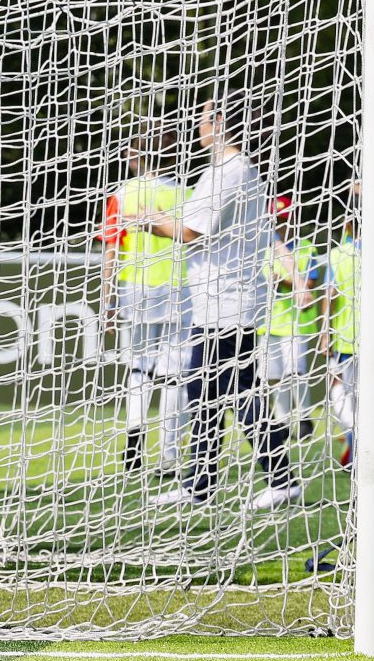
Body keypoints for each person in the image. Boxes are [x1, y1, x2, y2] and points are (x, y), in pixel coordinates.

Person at [141, 98, 301, 513]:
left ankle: (281, 479)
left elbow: (191, 232)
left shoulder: (230, 171)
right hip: (221, 301)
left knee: (236, 389)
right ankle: (201, 485)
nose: (198, 125)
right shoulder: (233, 170)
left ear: (221, 122)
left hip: (227, 302)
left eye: (204, 117)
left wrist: (150, 222)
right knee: (205, 390)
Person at [97, 126, 190, 476]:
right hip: (180, 288)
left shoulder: (123, 194)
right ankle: (168, 454)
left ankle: (134, 439)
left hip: (135, 287)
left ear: (139, 155)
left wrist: (107, 302)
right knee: (174, 374)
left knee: (139, 368)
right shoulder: (188, 194)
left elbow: (111, 250)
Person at [257, 195, 322, 435]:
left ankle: (304, 418)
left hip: (296, 321)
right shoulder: (261, 247)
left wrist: (284, 280)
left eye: (284, 220)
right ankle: (282, 422)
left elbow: (311, 282)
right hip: (268, 321)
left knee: (295, 371)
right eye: (276, 221)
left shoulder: (306, 247)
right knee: (274, 376)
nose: (281, 226)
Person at [314, 185, 361, 468]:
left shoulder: (338, 254)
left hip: (345, 339)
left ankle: (356, 435)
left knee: (339, 394)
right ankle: (357, 441)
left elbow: (329, 295)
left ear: (346, 224)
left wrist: (324, 333)